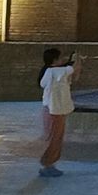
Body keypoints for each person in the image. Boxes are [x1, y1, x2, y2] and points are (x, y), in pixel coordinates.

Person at [37, 47, 76, 178]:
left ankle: (49, 164)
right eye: (60, 58)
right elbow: (72, 69)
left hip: (50, 109)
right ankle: (47, 164)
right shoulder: (56, 71)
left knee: (54, 138)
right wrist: (77, 59)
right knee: (54, 138)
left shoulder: (49, 71)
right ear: (55, 60)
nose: (62, 59)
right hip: (54, 111)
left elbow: (43, 84)